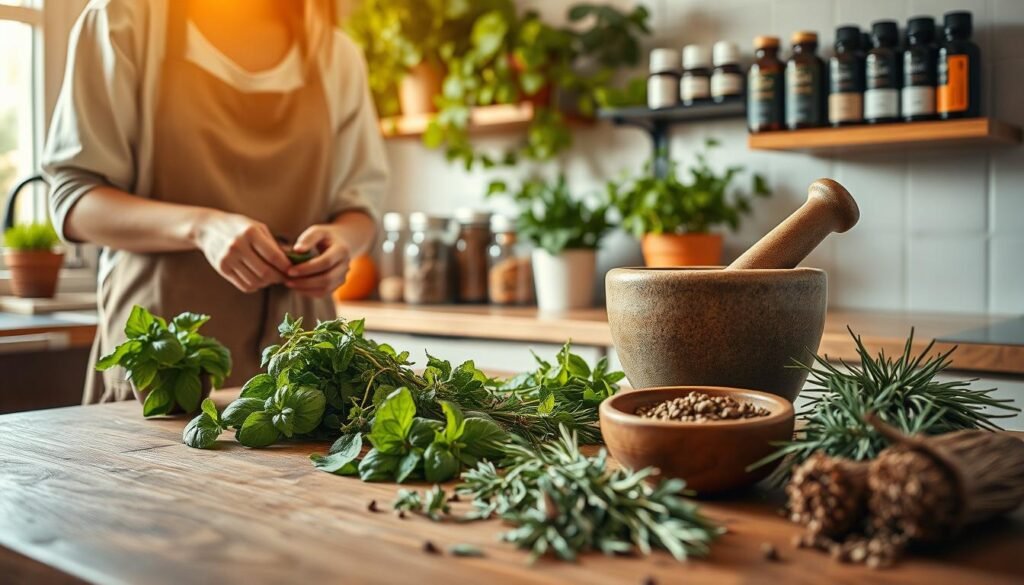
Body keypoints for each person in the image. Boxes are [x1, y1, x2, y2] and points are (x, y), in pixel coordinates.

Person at [42, 0, 387, 402]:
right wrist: (202, 227)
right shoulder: (122, 20)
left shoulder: (335, 55)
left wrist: (342, 241)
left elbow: (360, 208)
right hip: (163, 366)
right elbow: (74, 199)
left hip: (303, 377)